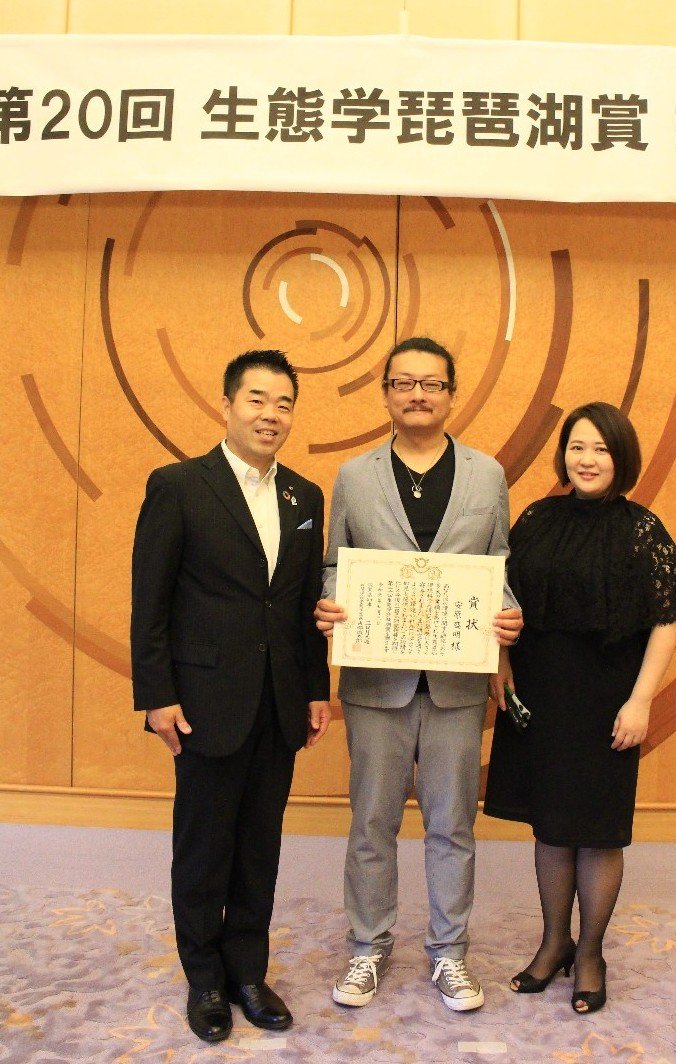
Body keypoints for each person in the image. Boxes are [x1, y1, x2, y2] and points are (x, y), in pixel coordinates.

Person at [314, 337, 522, 1012]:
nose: (418, 395)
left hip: (458, 683)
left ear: (452, 394)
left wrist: (509, 614)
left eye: (432, 384)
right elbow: (332, 564)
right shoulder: (354, 476)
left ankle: (449, 954)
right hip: (377, 682)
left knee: (452, 824)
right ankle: (368, 948)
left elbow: (500, 569)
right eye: (404, 383)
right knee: (371, 823)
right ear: (386, 393)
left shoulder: (488, 475)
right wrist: (334, 602)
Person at [130, 350, 331, 1043]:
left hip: (279, 704)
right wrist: (157, 694)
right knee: (204, 845)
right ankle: (205, 980)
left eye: (283, 403)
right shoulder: (180, 486)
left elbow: (304, 604)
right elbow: (149, 601)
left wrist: (315, 690)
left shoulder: (306, 496)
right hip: (206, 700)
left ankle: (248, 971)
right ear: (226, 405)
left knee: (259, 845)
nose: (270, 414)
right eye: (256, 399)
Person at [485, 401, 676, 1015]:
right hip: (541, 694)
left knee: (598, 830)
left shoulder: (642, 529)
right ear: (564, 455)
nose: (587, 459)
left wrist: (641, 701)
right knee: (550, 822)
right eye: (578, 446)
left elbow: (670, 617)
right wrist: (503, 668)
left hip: (608, 700)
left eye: (601, 449)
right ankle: (553, 943)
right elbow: (505, 603)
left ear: (621, 458)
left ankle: (590, 954)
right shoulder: (535, 519)